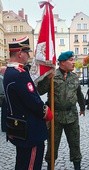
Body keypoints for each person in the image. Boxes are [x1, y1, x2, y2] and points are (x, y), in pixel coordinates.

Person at [3, 36, 53, 170]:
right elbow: (33, 101)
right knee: (31, 165)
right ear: (20, 53)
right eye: (26, 52)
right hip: (30, 131)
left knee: (22, 163)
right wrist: (46, 112)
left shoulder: (9, 72)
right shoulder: (20, 74)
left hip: (19, 127)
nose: (28, 55)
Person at [37, 51, 85, 170]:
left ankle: (77, 166)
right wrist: (47, 78)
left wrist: (83, 107)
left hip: (72, 115)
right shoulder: (53, 75)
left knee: (75, 144)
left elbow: (79, 94)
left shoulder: (74, 77)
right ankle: (50, 166)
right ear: (62, 62)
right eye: (71, 60)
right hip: (55, 116)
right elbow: (40, 91)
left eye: (73, 59)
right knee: (53, 144)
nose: (74, 62)